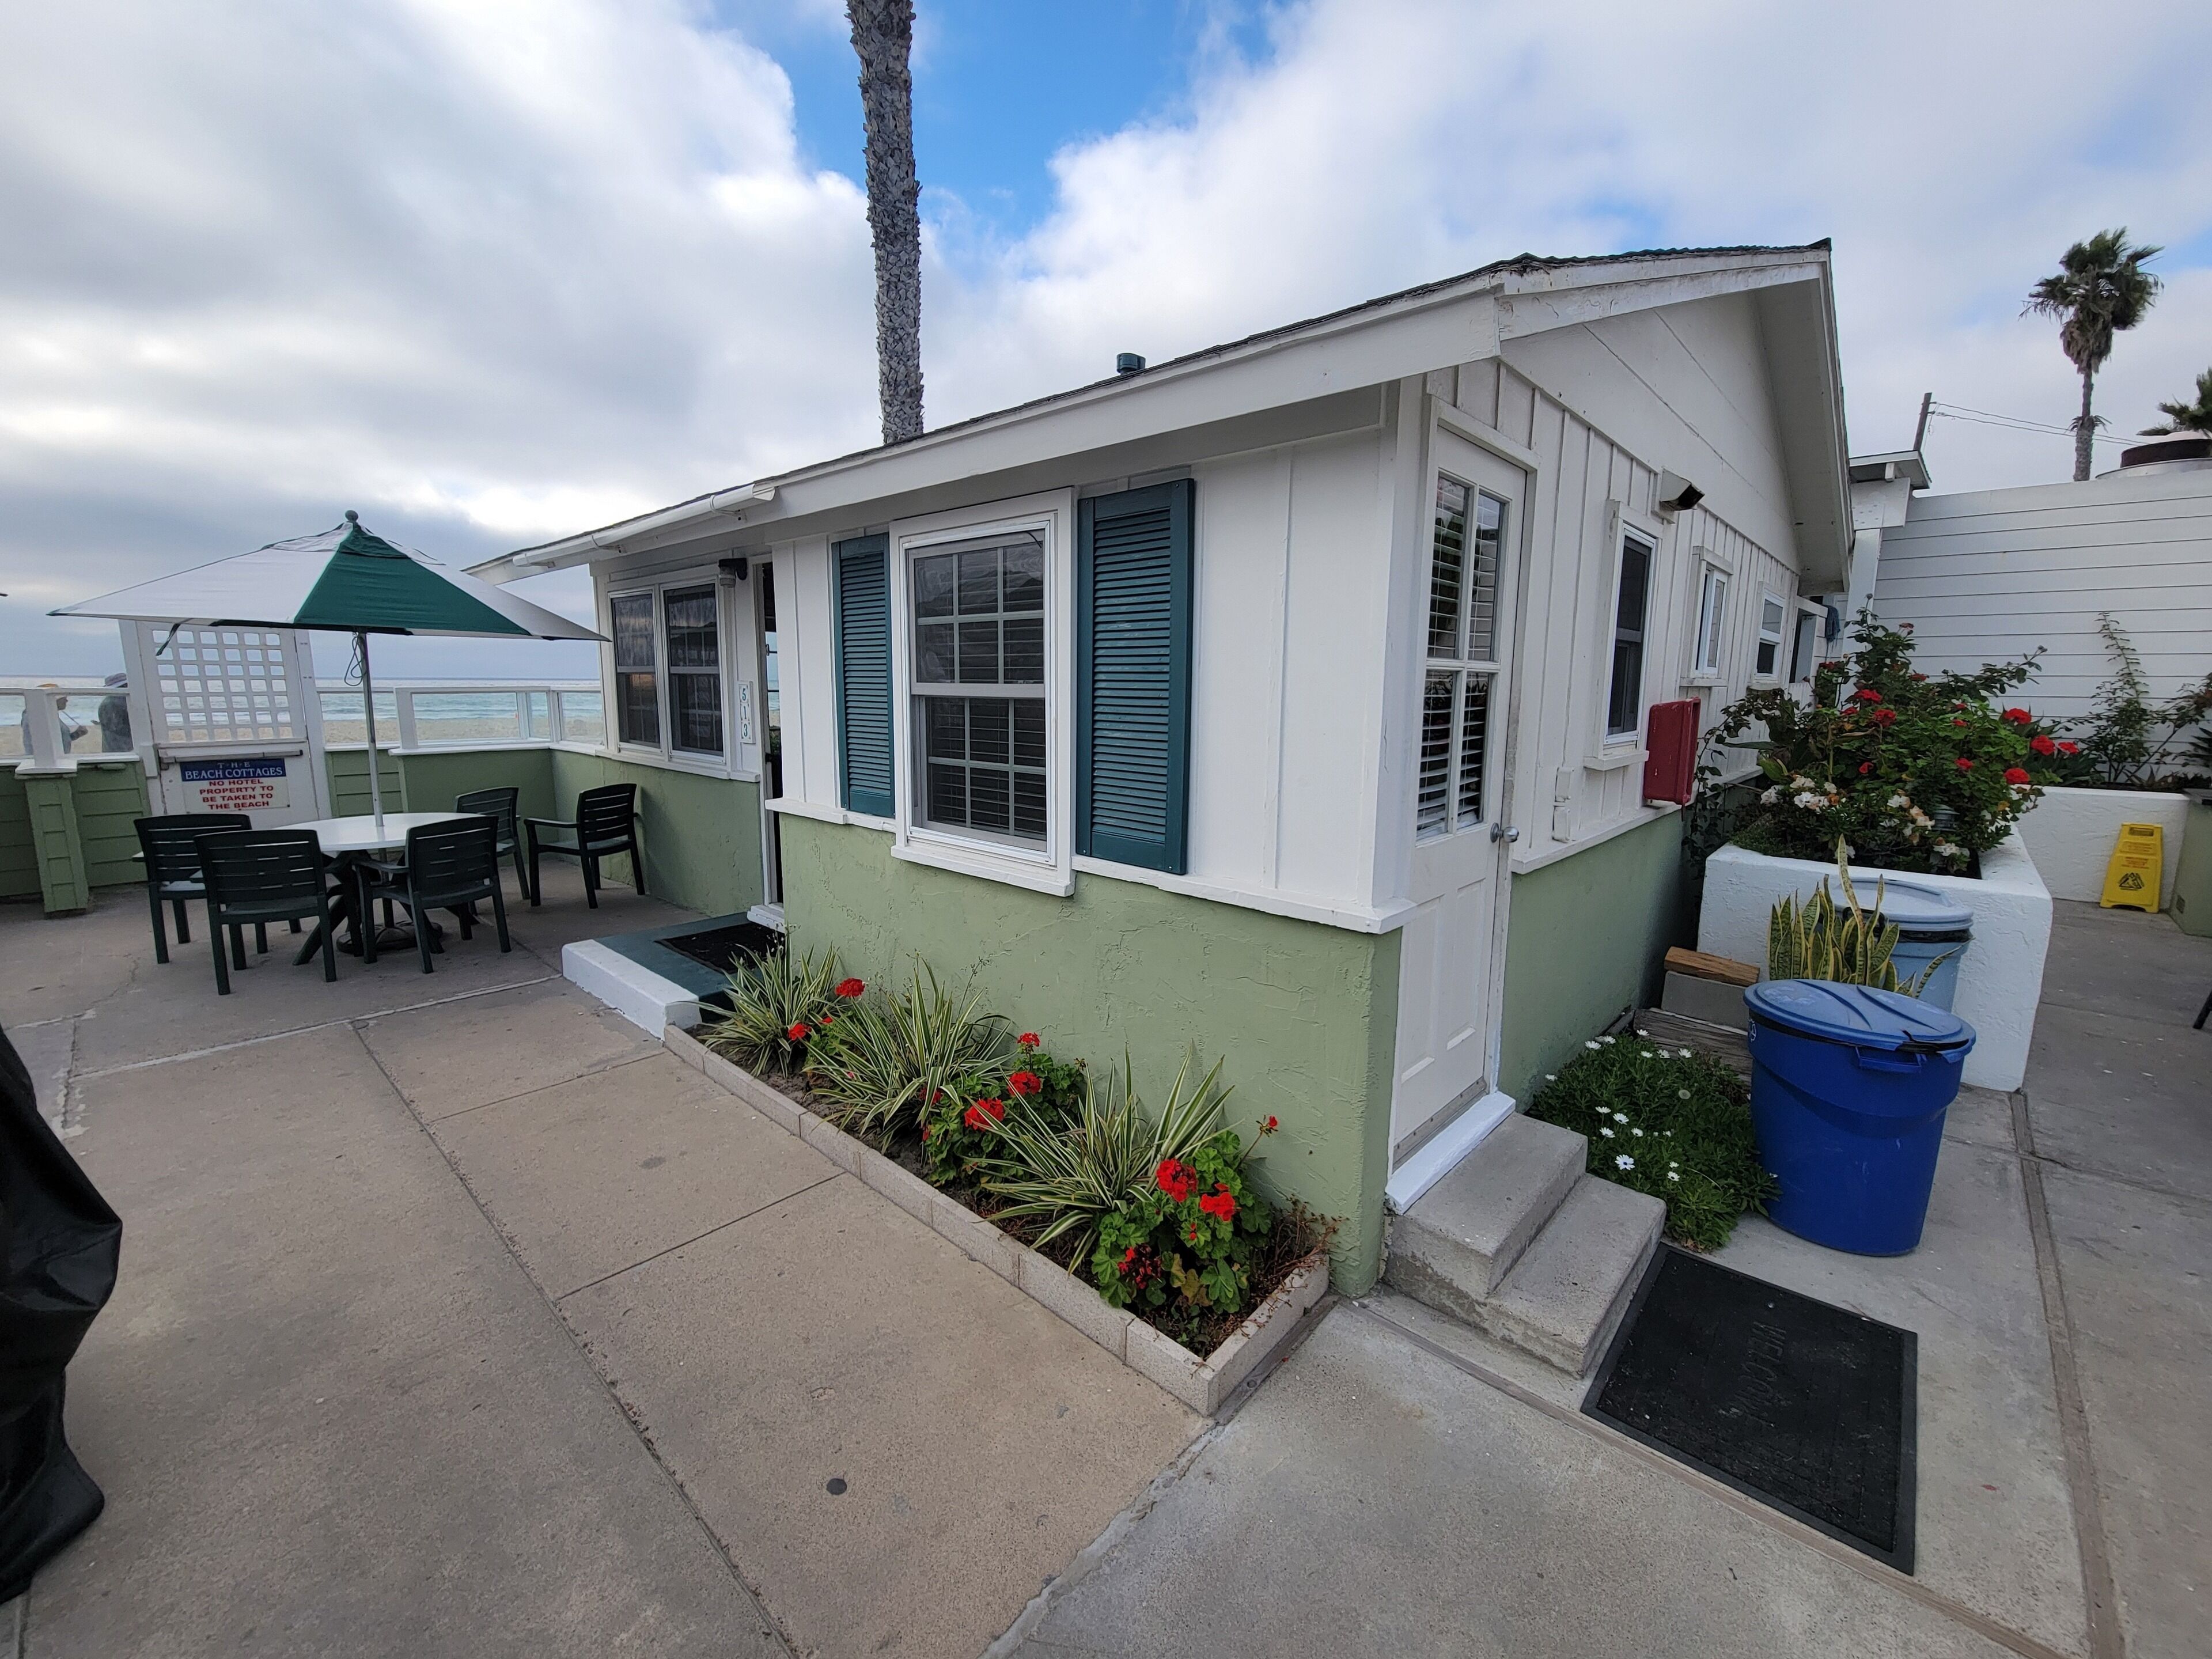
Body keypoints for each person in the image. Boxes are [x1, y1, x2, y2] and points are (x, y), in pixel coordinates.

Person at [17, 685, 86, 759]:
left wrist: (76, 734)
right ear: (54, 700)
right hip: (44, 760)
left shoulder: (50, 714)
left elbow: (57, 739)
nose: (67, 701)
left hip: (56, 759)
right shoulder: (36, 715)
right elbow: (41, 741)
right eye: (64, 698)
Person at [96, 674, 131, 754]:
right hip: (124, 749)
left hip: (111, 749)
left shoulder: (106, 703)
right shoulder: (118, 703)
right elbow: (119, 729)